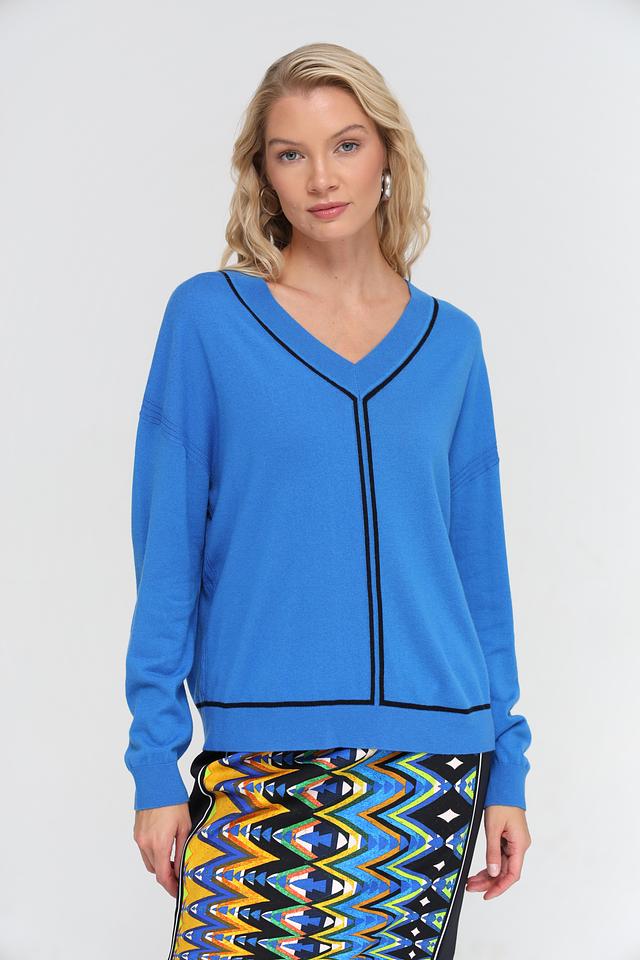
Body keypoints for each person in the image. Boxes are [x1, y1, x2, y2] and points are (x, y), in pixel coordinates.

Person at [124, 41, 533, 960]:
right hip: (257, 761)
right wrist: (154, 760)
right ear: (263, 174)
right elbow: (166, 555)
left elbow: (480, 572)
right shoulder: (209, 320)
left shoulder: (452, 344)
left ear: (387, 153)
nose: (321, 177)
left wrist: (507, 764)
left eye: (346, 144)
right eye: (291, 153)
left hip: (431, 771)